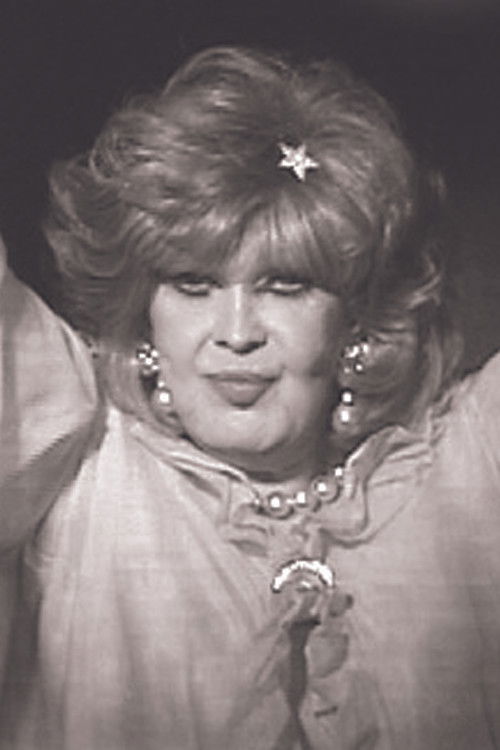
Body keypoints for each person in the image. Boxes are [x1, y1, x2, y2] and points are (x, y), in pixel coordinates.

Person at [1, 45, 499, 750]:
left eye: (286, 285)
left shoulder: (472, 471)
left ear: (357, 319)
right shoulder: (77, 461)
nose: (236, 334)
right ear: (144, 315)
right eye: (193, 285)